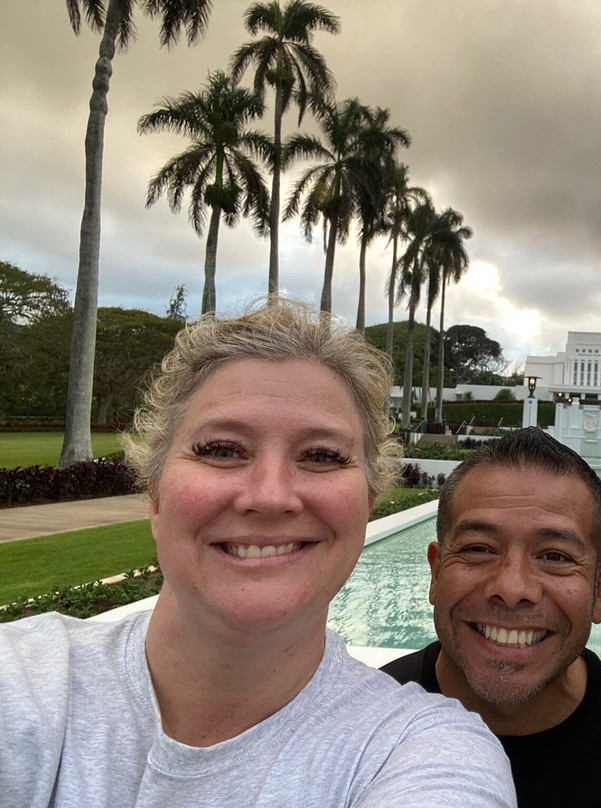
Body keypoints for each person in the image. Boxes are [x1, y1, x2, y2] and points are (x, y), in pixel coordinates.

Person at [0, 299, 515, 808]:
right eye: (223, 450)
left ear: (366, 504)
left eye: (321, 456)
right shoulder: (26, 681)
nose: (270, 496)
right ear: (155, 495)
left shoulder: (420, 752)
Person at [382, 427, 601, 808]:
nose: (512, 589)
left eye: (555, 556)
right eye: (479, 549)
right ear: (436, 571)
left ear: (600, 591)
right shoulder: (365, 723)